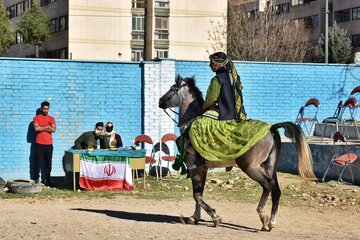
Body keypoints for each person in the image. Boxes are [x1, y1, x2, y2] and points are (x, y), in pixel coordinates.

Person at [202, 51, 247, 121]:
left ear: (218, 64)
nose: (210, 65)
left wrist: (203, 108)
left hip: (225, 116)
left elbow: (211, 99)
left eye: (212, 63)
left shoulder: (217, 80)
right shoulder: (233, 77)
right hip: (237, 115)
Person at [33, 101, 56, 186]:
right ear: (41, 108)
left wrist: (41, 127)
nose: (46, 110)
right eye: (44, 109)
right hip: (39, 143)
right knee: (37, 163)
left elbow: (53, 130)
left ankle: (47, 181)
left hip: (49, 144)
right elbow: (36, 129)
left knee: (48, 164)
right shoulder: (36, 118)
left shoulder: (52, 118)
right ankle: (36, 180)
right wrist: (47, 127)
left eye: (47, 109)